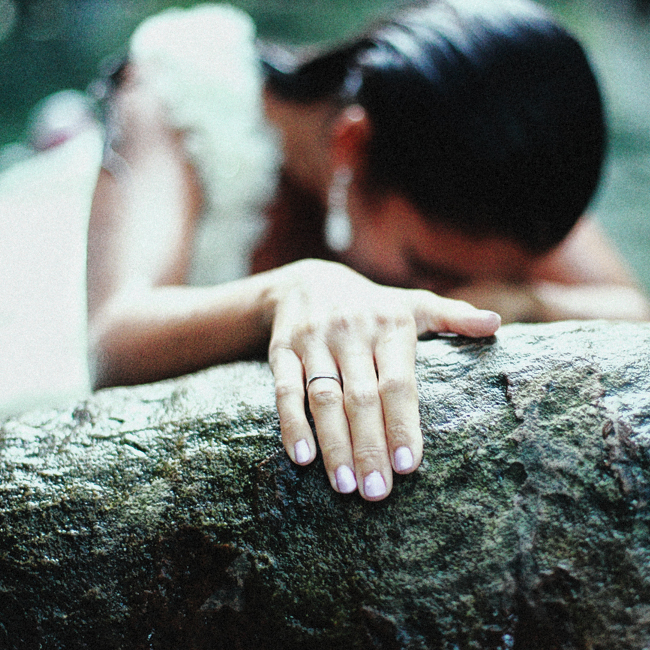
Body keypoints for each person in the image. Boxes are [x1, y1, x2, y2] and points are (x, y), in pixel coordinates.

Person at [86, 0, 649, 502]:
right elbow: (113, 341)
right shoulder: (185, 93)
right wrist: (288, 289)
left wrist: (520, 298)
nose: (437, 294)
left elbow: (633, 312)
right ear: (351, 143)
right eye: (426, 270)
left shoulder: (495, 166)